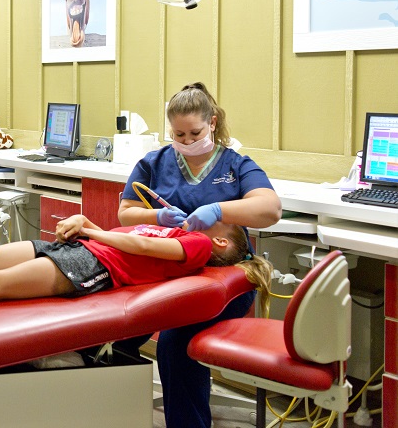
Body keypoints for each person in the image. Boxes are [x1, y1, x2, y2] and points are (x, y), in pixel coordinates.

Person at [116, 82, 282, 428]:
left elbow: (270, 209)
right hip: (166, 270)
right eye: (179, 134)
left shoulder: (236, 165)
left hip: (223, 279)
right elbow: (125, 213)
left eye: (195, 132)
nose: (188, 141)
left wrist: (219, 210)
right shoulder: (154, 162)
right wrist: (155, 216)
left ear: (213, 122)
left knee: (175, 344)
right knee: (120, 329)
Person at [0, 214, 273, 329]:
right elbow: (131, 231)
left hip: (93, 265)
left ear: (221, 241)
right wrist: (81, 228)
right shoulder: (177, 227)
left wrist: (93, 229)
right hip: (81, 246)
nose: (204, 216)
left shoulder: (195, 245)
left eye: (217, 219)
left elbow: (135, 246)